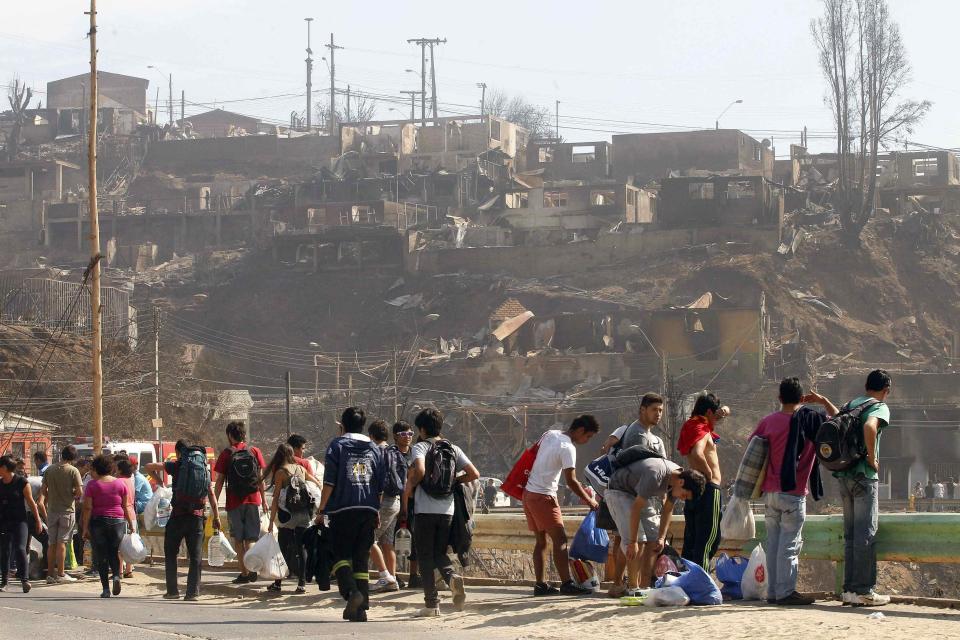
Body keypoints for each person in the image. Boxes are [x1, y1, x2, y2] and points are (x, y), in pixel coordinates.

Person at [750, 378, 833, 606]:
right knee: (789, 544)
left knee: (774, 544)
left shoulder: (768, 422)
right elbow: (839, 422)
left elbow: (754, 449)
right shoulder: (812, 420)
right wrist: (823, 401)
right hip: (793, 493)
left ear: (779, 398)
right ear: (802, 398)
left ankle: (774, 593)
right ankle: (786, 592)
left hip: (770, 493)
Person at [816, 369, 893, 607]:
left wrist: (823, 401)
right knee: (865, 534)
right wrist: (872, 458)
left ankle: (849, 590)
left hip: (844, 476)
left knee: (850, 535)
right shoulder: (879, 406)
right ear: (886, 390)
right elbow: (870, 427)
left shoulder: (853, 403)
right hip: (863, 477)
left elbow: (837, 420)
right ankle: (864, 591)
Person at [400, 408, 479, 617]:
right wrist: (454, 481)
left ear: (422, 429)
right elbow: (474, 474)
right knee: (439, 553)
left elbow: (420, 471)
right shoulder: (453, 448)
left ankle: (431, 604)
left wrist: (412, 486)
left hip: (425, 510)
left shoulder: (420, 447)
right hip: (448, 511)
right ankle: (452, 577)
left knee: (425, 556)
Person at [315, 407, 385, 622]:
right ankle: (360, 609)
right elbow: (379, 486)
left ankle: (350, 593)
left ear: (342, 425)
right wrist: (376, 510)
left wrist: (321, 509)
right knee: (360, 559)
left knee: (339, 556)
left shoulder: (337, 445)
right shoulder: (374, 448)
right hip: (368, 510)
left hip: (342, 510)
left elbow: (329, 482)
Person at [523, 414, 600, 597]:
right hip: (544, 496)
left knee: (541, 541)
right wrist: (590, 501)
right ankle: (567, 583)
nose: (586, 440)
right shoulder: (568, 447)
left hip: (529, 493)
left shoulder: (551, 433)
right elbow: (571, 481)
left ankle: (540, 585)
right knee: (561, 541)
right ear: (580, 430)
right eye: (587, 436)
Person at [606, 455, 705, 595]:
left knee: (654, 540)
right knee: (637, 541)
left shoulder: (677, 480)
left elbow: (667, 509)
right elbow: (636, 508)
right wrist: (633, 541)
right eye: (684, 496)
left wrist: (661, 537)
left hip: (639, 495)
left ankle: (645, 586)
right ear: (682, 482)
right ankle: (633, 589)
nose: (683, 499)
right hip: (619, 491)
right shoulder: (655, 474)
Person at [600, 393, 668, 597]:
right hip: (632, 494)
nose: (658, 414)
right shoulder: (637, 434)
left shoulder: (655, 438)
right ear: (642, 410)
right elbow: (637, 468)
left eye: (661, 411)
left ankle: (623, 584)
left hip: (642, 494)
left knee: (632, 540)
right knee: (637, 540)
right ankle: (635, 585)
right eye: (654, 410)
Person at [145, 439, 221, 602]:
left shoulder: (176, 465)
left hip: (178, 517)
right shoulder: (203, 468)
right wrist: (216, 516)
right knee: (196, 556)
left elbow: (149, 467)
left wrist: (160, 482)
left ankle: (172, 591)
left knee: (171, 553)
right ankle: (192, 592)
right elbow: (211, 494)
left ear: (179, 453)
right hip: (197, 517)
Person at [214, 420, 267, 585]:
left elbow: (220, 481)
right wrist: (264, 500)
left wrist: (214, 503)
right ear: (244, 435)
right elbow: (261, 479)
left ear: (230, 436)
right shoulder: (254, 451)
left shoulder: (226, 454)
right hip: (253, 500)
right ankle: (252, 570)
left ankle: (244, 574)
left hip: (234, 502)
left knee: (238, 539)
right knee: (251, 538)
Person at [676, 392, 725, 570]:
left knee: (692, 539)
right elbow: (697, 452)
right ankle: (700, 583)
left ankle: (686, 581)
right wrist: (710, 475)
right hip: (709, 489)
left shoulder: (691, 426)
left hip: (694, 489)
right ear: (709, 412)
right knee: (708, 539)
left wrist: (723, 411)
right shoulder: (703, 431)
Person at [264, 443, 321, 594]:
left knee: (282, 549)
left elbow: (276, 498)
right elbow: (316, 482)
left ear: (279, 456)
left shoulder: (281, 472)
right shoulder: (301, 468)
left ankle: (278, 582)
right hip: (303, 514)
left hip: (287, 515)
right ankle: (301, 584)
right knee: (301, 548)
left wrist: (271, 522)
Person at [81, 454, 136, 598]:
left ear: (96, 469)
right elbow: (125, 506)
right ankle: (117, 577)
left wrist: (85, 527)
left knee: (101, 555)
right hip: (117, 522)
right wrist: (131, 525)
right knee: (114, 552)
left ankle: (106, 589)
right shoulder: (120, 484)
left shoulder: (93, 485)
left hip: (98, 522)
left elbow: (87, 508)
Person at [368, 420, 407, 594]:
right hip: (396, 502)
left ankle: (385, 578)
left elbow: (379, 482)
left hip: (382, 503)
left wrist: (375, 507)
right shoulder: (394, 451)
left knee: (367, 539)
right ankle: (392, 579)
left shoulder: (375, 452)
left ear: (371, 436)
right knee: (387, 543)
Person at [40, 445, 83, 584]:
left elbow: (43, 490)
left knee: (51, 543)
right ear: (73, 457)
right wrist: (71, 496)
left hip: (52, 510)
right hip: (67, 511)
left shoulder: (50, 469)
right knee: (62, 543)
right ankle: (61, 573)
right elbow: (79, 492)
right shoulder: (73, 471)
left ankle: (50, 574)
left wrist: (51, 497)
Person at [0, 455, 42, 593]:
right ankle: (4, 581)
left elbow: (31, 502)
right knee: (4, 551)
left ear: (5, 468)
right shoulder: (0, 484)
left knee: (20, 549)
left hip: (20, 521)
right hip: (4, 522)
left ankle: (25, 580)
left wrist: (38, 521)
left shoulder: (21, 482)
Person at [391, 421, 418, 589]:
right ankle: (393, 576)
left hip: (414, 501)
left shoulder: (416, 453)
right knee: (392, 540)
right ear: (395, 436)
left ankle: (414, 576)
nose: (407, 437)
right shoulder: (391, 454)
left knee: (414, 539)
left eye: (410, 434)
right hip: (395, 502)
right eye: (403, 434)